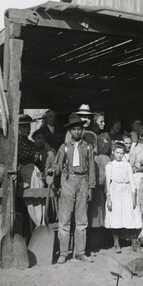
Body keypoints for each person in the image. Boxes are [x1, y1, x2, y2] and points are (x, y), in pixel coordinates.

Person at [49, 113, 96, 264]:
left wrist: (91, 187)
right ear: (70, 131)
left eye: (79, 129)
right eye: (74, 129)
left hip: (83, 182)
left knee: (82, 220)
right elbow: (57, 165)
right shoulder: (64, 148)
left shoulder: (88, 148)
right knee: (65, 219)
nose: (77, 132)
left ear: (82, 130)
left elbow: (92, 170)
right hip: (68, 181)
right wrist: (52, 171)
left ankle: (80, 252)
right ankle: (63, 253)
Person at [105, 142, 142, 253]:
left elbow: (132, 181)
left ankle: (134, 242)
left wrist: (133, 196)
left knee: (131, 215)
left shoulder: (127, 165)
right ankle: (116, 243)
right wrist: (109, 198)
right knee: (116, 216)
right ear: (113, 152)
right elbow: (107, 183)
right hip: (115, 191)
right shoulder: (109, 165)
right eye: (117, 153)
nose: (120, 155)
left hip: (126, 191)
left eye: (122, 153)